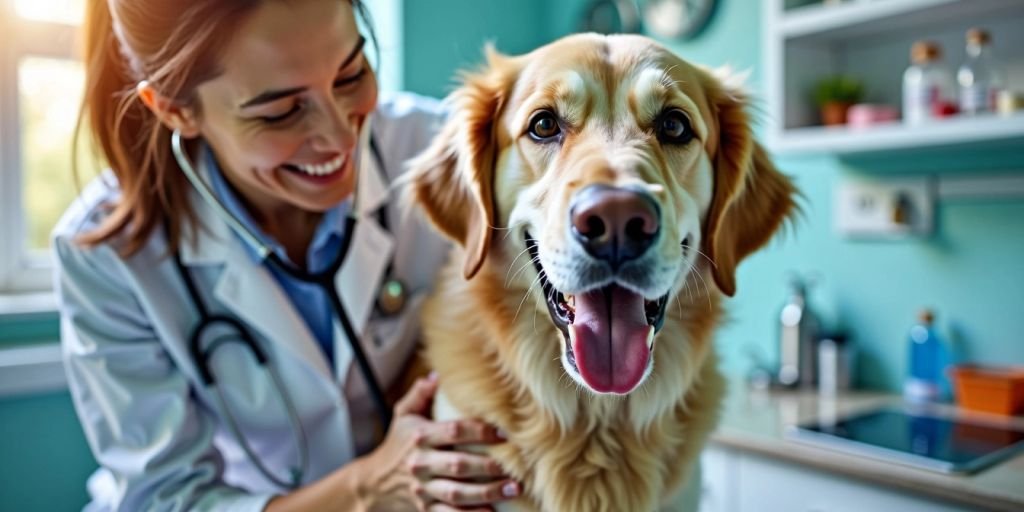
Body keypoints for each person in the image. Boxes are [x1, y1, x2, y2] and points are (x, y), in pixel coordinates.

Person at [54, 0, 520, 510]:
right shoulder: (106, 256)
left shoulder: (443, 156)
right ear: (174, 109)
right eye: (281, 111)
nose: (342, 137)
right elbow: (162, 500)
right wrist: (367, 484)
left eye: (350, 75)